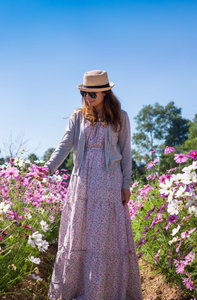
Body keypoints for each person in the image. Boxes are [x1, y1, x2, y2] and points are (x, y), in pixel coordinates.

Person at [44, 70, 143, 300]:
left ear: (105, 93)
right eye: (84, 93)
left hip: (109, 181)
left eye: (93, 94)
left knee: (103, 235)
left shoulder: (121, 117)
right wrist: (47, 168)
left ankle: (102, 292)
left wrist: (126, 183)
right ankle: (77, 290)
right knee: (79, 234)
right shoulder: (78, 117)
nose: (88, 98)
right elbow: (64, 145)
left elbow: (126, 153)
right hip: (82, 181)